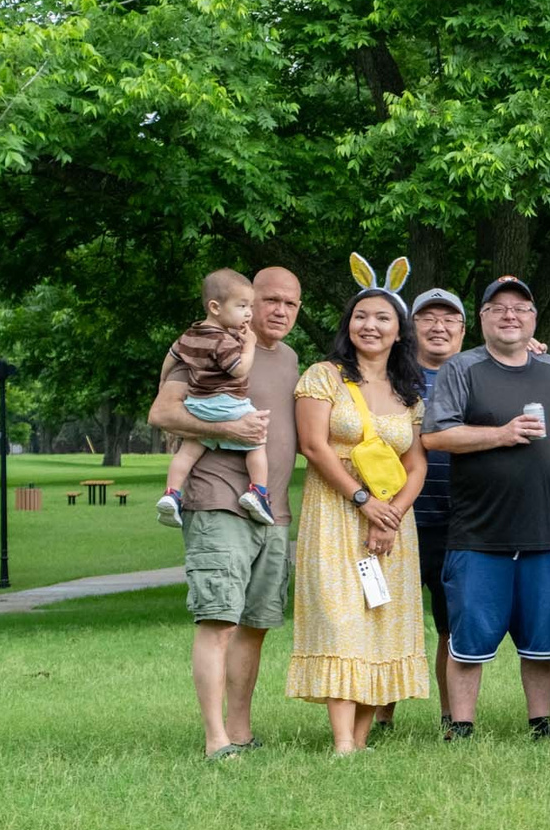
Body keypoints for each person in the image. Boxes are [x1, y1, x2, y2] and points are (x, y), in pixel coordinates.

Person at [149, 266, 301, 759]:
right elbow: (162, 412)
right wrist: (233, 433)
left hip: (271, 510)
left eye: (291, 304)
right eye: (270, 300)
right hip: (218, 502)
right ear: (247, 301)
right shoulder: (203, 345)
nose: (279, 311)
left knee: (255, 623)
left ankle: (240, 732)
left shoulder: (292, 359)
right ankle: (216, 740)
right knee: (219, 620)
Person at [422, 274, 550, 740]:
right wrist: (502, 435)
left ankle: (540, 723)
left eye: (521, 308)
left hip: (544, 529)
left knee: (541, 640)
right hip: (478, 531)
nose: (511, 315)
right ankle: (461, 726)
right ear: (482, 318)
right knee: (468, 640)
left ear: (533, 319)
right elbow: (435, 435)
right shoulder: (461, 369)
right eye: (498, 308)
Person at [286, 283, 431, 754]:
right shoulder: (323, 376)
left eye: (383, 318)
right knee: (341, 618)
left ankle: (362, 739)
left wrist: (389, 516)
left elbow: (417, 465)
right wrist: (363, 500)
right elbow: (313, 447)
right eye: (361, 316)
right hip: (335, 513)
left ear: (399, 331)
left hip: (391, 522)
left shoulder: (409, 391)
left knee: (379, 620)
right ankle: (343, 741)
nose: (371, 325)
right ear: (348, 325)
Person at [374, 288, 466, 735]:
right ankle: (380, 714)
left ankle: (452, 718)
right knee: (387, 617)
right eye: (428, 318)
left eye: (449, 319)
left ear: (464, 330)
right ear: (411, 329)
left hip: (461, 521)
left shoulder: (477, 374)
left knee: (452, 626)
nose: (438, 326)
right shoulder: (391, 378)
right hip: (398, 516)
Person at [156, 268, 274, 527]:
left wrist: (163, 379)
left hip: (198, 405)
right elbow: (239, 369)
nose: (248, 313)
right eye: (242, 306)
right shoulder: (224, 341)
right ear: (215, 307)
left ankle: (172, 494)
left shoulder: (190, 334)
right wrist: (249, 345)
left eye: (251, 306)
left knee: (188, 452)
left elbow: (172, 355)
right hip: (227, 403)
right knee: (257, 439)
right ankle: (258, 492)